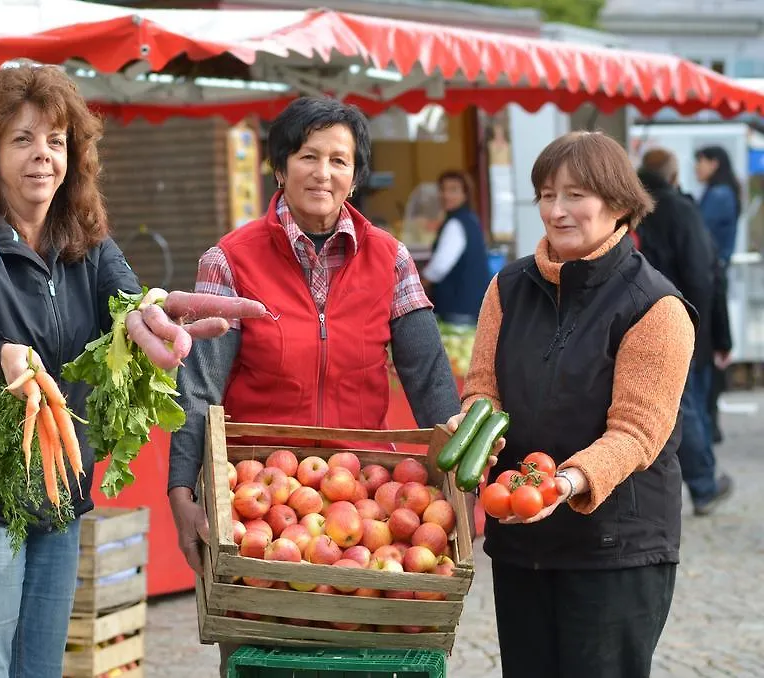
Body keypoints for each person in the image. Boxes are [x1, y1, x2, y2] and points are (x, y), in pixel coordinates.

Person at [0, 65, 257, 677]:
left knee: (40, 668)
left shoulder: (88, 244)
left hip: (59, 490)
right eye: (22, 139)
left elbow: (130, 305)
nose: (42, 156)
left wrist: (153, 320)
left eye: (56, 140)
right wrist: (2, 356)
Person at [166, 96, 463, 677]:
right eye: (307, 156)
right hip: (259, 500)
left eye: (339, 160)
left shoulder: (391, 260)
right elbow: (199, 389)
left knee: (359, 663)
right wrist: (182, 490)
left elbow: (429, 378)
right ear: (279, 167)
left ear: (355, 175)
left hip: (369, 499)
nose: (322, 173)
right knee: (265, 662)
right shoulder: (230, 261)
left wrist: (459, 477)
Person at [451, 131, 695, 678]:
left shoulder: (654, 307)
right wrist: (473, 427)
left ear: (618, 203)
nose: (557, 211)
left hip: (616, 548)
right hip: (523, 539)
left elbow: (636, 433)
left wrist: (566, 482)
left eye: (575, 195)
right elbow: (483, 386)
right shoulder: (507, 287)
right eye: (545, 195)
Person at [636, 149, 733, 515]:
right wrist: (709, 333)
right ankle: (704, 486)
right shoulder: (681, 210)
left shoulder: (632, 209)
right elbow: (704, 276)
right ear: (673, 175)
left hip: (632, 316)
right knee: (683, 405)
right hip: (677, 319)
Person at [694, 145, 741, 444]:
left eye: (700, 162)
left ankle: (709, 424)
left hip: (711, 276)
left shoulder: (719, 195)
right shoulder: (722, 191)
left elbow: (702, 234)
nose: (697, 168)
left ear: (714, 162)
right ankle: (711, 423)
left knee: (709, 350)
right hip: (717, 273)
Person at [420, 170, 490, 324]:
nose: (446, 195)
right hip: (473, 305)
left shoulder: (455, 224)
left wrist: (417, 284)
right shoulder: (471, 219)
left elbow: (439, 268)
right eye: (443, 189)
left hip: (457, 308)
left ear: (465, 194)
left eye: (453, 190)